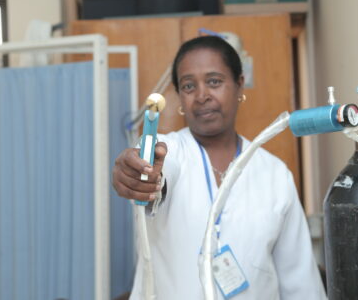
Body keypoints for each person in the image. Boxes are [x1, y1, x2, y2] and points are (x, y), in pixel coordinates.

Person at [112, 36, 327, 299]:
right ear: (179, 96)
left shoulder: (275, 175)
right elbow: (157, 165)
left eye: (214, 81)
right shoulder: (171, 151)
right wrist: (138, 171)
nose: (202, 96)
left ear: (239, 85)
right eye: (189, 86)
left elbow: (300, 282)